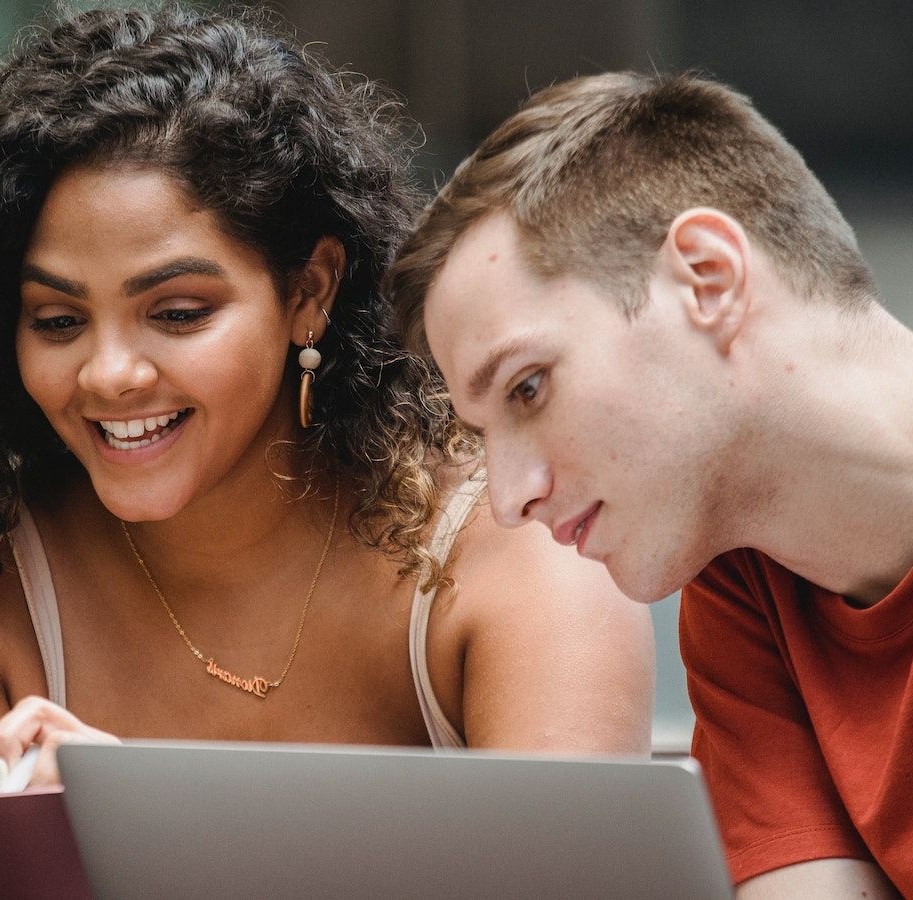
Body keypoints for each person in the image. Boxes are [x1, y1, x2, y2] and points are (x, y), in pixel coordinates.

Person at [0, 5, 653, 800]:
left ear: (309, 291)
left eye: (177, 314)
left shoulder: (515, 551)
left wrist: (152, 826)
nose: (110, 374)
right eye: (58, 322)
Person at [388, 71, 913, 897]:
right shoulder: (743, 589)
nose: (506, 499)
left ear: (708, 278)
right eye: (481, 434)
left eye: (529, 388)